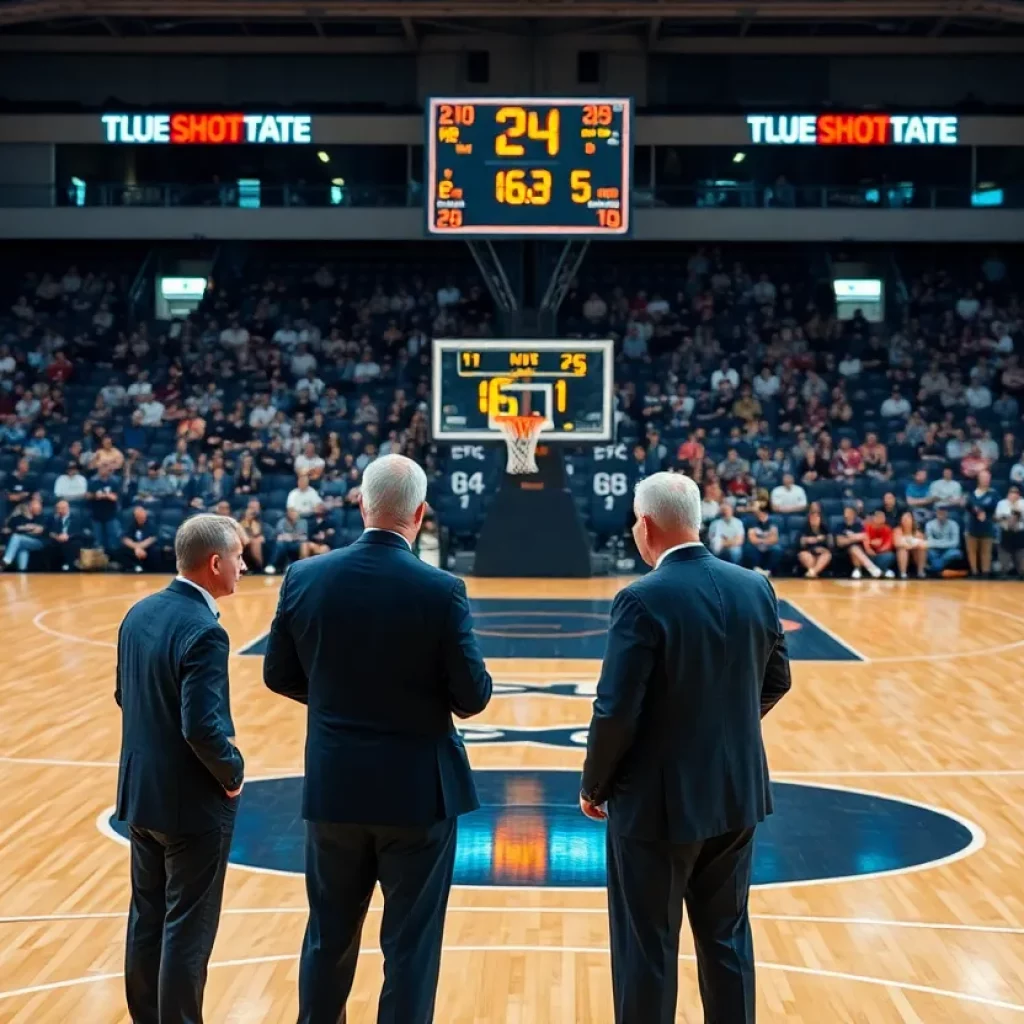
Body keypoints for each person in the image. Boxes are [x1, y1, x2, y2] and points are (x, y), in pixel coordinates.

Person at [263, 454, 493, 1024]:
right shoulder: (442, 589)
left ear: (362, 504)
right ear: (420, 514)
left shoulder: (305, 576)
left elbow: (278, 674)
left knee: (328, 937)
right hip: (418, 795)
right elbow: (472, 696)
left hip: (335, 788)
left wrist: (341, 702)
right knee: (411, 949)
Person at [580, 472, 790, 1024]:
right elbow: (777, 681)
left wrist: (595, 784)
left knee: (647, 948)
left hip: (656, 804)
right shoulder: (756, 586)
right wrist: (725, 726)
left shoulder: (641, 600)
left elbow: (616, 710)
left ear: (645, 525)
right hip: (736, 793)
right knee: (726, 940)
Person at [114, 515, 246, 1024]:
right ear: (214, 563)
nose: (243, 564)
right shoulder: (205, 633)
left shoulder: (138, 612)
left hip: (140, 796)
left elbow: (124, 696)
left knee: (146, 919)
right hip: (191, 807)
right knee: (187, 931)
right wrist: (233, 771)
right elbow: (202, 729)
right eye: (237, 556)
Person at [965, 469, 999, 576]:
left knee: (986, 551)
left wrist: (982, 510)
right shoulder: (972, 493)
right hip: (973, 525)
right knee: (972, 551)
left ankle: (985, 572)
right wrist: (978, 511)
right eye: (983, 477)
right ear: (979, 479)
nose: (985, 480)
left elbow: (995, 506)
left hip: (987, 525)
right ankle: (974, 571)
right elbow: (968, 505)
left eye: (987, 478)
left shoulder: (993, 493)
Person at [0, 495, 46, 572]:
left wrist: (24, 529)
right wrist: (28, 528)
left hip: (38, 542)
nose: (39, 508)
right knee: (22, 548)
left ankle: (6, 561)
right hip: (23, 542)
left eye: (40, 507)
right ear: (30, 507)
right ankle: (22, 571)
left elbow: (39, 531)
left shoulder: (42, 517)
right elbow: (11, 529)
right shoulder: (17, 518)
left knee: (17, 537)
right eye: (37, 507)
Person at [47, 497, 86, 571]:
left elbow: (81, 531)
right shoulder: (52, 517)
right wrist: (56, 536)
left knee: (74, 544)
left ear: (68, 508)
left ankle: (71, 569)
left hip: (73, 539)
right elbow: (47, 530)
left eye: (63, 508)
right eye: (58, 508)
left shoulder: (77, 517)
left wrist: (69, 536)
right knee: (49, 545)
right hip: (57, 539)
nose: (60, 510)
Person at [745, 505, 783, 576]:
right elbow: (752, 539)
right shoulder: (752, 523)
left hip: (768, 546)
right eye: (760, 513)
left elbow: (774, 539)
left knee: (777, 549)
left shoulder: (772, 523)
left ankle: (767, 570)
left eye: (763, 513)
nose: (761, 515)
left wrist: (760, 540)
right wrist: (765, 540)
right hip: (756, 546)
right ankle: (756, 569)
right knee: (749, 548)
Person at [996, 483, 1024, 577]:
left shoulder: (1023, 503)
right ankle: (1004, 570)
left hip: (1020, 534)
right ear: (1008, 493)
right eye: (1011, 492)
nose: (1014, 494)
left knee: (1022, 568)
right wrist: (1007, 519)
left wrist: (1016, 511)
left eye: (1016, 492)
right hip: (1006, 533)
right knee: (1004, 566)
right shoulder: (1002, 503)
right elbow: (997, 517)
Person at [120, 505, 158, 573]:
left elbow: (152, 538)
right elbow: (125, 538)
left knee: (155, 551)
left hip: (146, 548)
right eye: (138, 517)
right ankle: (133, 567)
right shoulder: (131, 524)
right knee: (121, 550)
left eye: (142, 516)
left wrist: (139, 547)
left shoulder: (151, 524)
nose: (141, 518)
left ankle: (149, 570)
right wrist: (136, 548)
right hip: (134, 548)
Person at [797, 506, 833, 578]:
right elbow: (800, 544)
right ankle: (814, 572)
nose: (814, 520)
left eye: (816, 518)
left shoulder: (825, 529)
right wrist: (811, 542)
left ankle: (812, 572)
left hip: (821, 554)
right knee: (805, 555)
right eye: (812, 518)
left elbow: (831, 544)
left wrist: (823, 548)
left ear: (820, 519)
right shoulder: (804, 528)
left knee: (827, 555)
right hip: (808, 552)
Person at [925, 505, 962, 574]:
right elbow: (928, 542)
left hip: (949, 550)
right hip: (934, 549)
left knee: (955, 553)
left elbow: (955, 542)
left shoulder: (954, 524)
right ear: (936, 513)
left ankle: (935, 568)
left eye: (943, 513)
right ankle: (939, 568)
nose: (941, 515)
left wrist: (937, 543)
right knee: (927, 552)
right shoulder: (929, 524)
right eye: (939, 512)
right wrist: (944, 542)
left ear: (947, 513)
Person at [894, 510, 928, 580]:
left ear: (912, 520)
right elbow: (897, 543)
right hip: (901, 554)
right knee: (902, 549)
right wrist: (911, 544)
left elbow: (924, 544)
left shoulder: (917, 533)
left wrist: (912, 544)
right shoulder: (897, 530)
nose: (906, 520)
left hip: (914, 555)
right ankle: (903, 573)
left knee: (922, 548)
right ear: (901, 520)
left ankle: (920, 572)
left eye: (908, 518)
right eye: (904, 518)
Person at [864, 508, 897, 579]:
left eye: (882, 517)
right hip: (869, 555)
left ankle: (880, 571)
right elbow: (865, 542)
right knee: (864, 555)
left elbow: (888, 545)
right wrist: (870, 545)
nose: (881, 519)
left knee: (890, 555)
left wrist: (879, 549)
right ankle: (882, 571)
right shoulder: (867, 527)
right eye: (878, 517)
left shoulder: (887, 529)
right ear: (874, 518)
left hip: (880, 554)